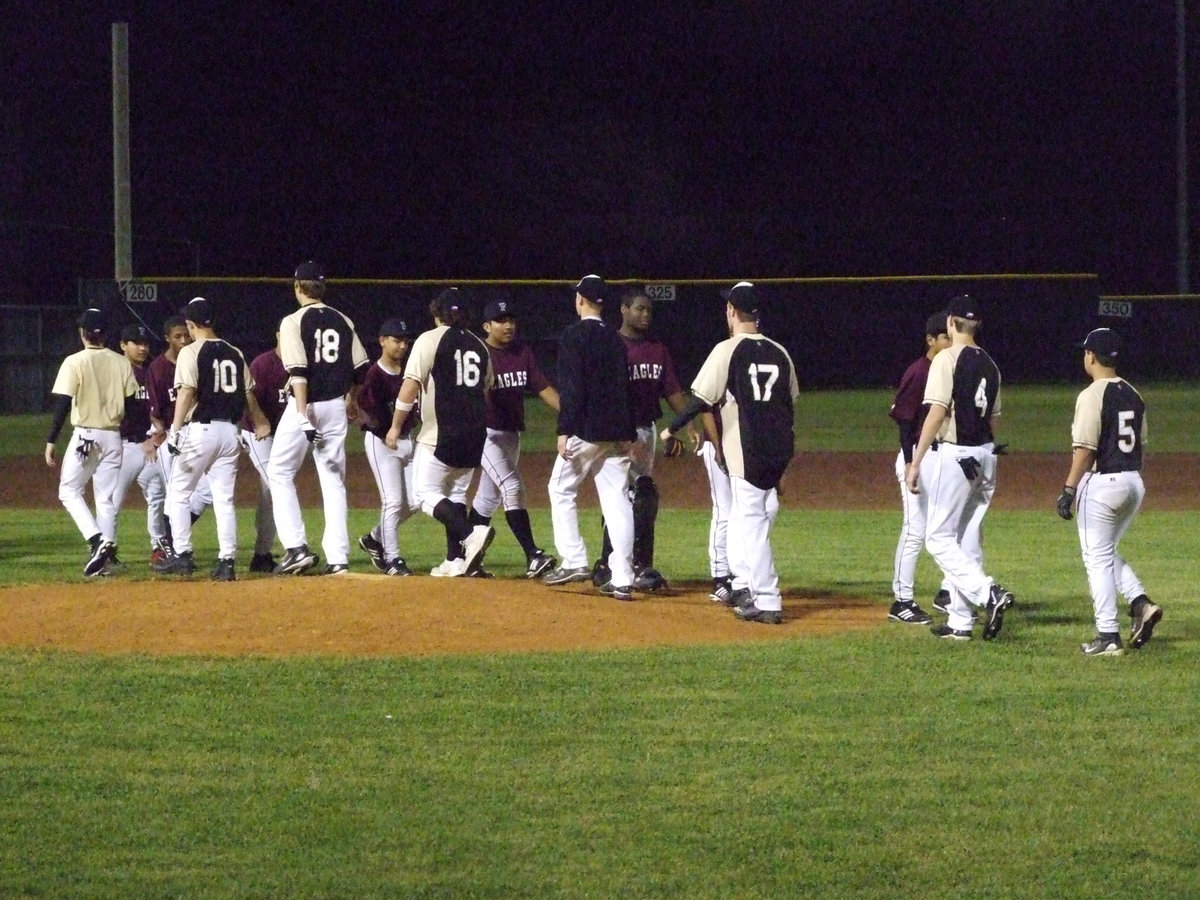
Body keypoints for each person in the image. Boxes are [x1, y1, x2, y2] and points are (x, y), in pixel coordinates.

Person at [661, 282, 798, 624]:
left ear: (732, 312)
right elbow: (789, 403)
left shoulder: (727, 349)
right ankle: (745, 584)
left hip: (746, 450)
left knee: (750, 522)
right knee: (750, 518)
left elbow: (700, 398)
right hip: (778, 447)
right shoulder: (780, 351)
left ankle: (766, 598)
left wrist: (671, 428)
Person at [906, 294, 1015, 641]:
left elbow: (937, 412)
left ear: (952, 323)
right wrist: (989, 457)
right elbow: (994, 420)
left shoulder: (946, 359)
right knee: (964, 539)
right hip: (985, 455)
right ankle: (960, 623)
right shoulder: (992, 365)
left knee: (938, 539)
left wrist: (917, 460)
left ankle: (988, 594)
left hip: (957, 456)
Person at [1056, 328, 1162, 656]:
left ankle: (1108, 635)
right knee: (1105, 552)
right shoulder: (1133, 393)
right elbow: (1140, 443)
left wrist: (1068, 489)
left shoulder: (1091, 395)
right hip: (1133, 483)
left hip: (1103, 484)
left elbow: (1085, 450)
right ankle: (1140, 604)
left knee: (1096, 559)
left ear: (1091, 356)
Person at [152, 297, 271, 579]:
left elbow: (186, 392)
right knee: (223, 499)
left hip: (200, 431)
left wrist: (176, 429)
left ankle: (183, 556)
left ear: (192, 325)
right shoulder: (235, 352)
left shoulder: (191, 352)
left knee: (179, 494)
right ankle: (227, 562)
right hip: (231, 432)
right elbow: (246, 393)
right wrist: (258, 421)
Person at [268, 260, 370, 575]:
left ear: (297, 287)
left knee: (279, 472)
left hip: (308, 405)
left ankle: (296, 547)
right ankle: (338, 558)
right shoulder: (344, 320)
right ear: (322, 288)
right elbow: (361, 369)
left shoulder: (292, 321)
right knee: (333, 480)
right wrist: (351, 399)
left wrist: (301, 415)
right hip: (336, 407)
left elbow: (298, 373)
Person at [385, 288, 495, 577]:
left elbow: (409, 389)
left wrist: (395, 426)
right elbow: (485, 391)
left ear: (437, 313)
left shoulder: (429, 340)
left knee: (424, 494)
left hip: (440, 433)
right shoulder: (480, 346)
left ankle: (471, 534)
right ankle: (455, 561)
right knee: (456, 493)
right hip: (475, 433)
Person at [542, 274, 638, 601]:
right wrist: (627, 431)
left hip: (586, 429)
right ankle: (623, 577)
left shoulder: (573, 336)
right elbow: (625, 388)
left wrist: (564, 429)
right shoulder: (615, 339)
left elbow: (572, 389)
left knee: (560, 487)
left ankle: (574, 559)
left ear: (581, 300)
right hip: (616, 432)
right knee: (617, 499)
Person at [591, 288, 690, 592]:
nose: (645, 315)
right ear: (623, 310)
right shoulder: (612, 345)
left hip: (645, 431)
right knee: (628, 495)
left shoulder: (657, 349)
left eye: (648, 310)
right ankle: (617, 563)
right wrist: (622, 432)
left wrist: (686, 425)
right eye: (639, 309)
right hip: (618, 432)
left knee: (637, 495)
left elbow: (672, 389)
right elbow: (604, 392)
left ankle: (626, 564)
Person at [466, 298, 559, 579]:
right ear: (486, 325)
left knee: (487, 499)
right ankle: (532, 554)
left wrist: (571, 416)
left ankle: (465, 556)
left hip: (510, 434)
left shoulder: (522, 352)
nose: (508, 325)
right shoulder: (478, 353)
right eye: (500, 321)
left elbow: (542, 387)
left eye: (511, 320)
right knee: (512, 486)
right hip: (486, 434)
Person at [43, 308, 137, 577]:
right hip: (113, 437)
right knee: (105, 499)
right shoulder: (121, 363)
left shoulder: (74, 361)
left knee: (69, 490)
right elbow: (132, 405)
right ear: (106, 335)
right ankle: (105, 560)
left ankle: (97, 542)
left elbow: (62, 403)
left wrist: (51, 439)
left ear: (82, 334)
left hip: (86, 435)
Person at [886, 311, 951, 625]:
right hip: (915, 457)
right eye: (945, 337)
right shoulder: (919, 371)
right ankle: (901, 601)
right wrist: (911, 460)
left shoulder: (947, 369)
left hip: (937, 457)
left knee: (946, 528)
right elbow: (904, 420)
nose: (950, 342)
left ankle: (947, 593)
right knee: (915, 530)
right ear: (931, 339)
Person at [358, 317, 421, 576]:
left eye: (405, 341)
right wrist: (383, 432)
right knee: (393, 502)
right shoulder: (375, 374)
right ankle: (393, 559)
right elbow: (364, 409)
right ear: (382, 341)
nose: (402, 346)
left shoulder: (409, 372)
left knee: (416, 501)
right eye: (397, 340)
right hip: (382, 444)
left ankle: (374, 538)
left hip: (408, 441)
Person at [109, 323, 170, 567]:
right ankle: (107, 549)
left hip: (150, 446)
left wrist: (155, 436)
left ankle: (159, 547)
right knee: (113, 500)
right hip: (123, 446)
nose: (143, 348)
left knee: (157, 496)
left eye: (145, 343)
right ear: (123, 346)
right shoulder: (116, 374)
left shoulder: (151, 373)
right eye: (137, 343)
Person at [146, 313, 212, 527]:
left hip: (197, 433)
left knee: (206, 492)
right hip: (171, 437)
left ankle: (172, 538)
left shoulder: (197, 361)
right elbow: (154, 411)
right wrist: (160, 434)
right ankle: (168, 546)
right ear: (167, 338)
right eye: (177, 336)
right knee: (174, 494)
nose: (184, 340)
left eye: (186, 335)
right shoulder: (157, 368)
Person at [239, 331, 289, 573]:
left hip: (281, 438)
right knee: (278, 484)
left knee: (269, 493)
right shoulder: (263, 364)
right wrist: (260, 422)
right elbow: (248, 397)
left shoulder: (299, 363)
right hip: (256, 434)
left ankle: (261, 555)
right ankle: (294, 547)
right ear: (278, 334)